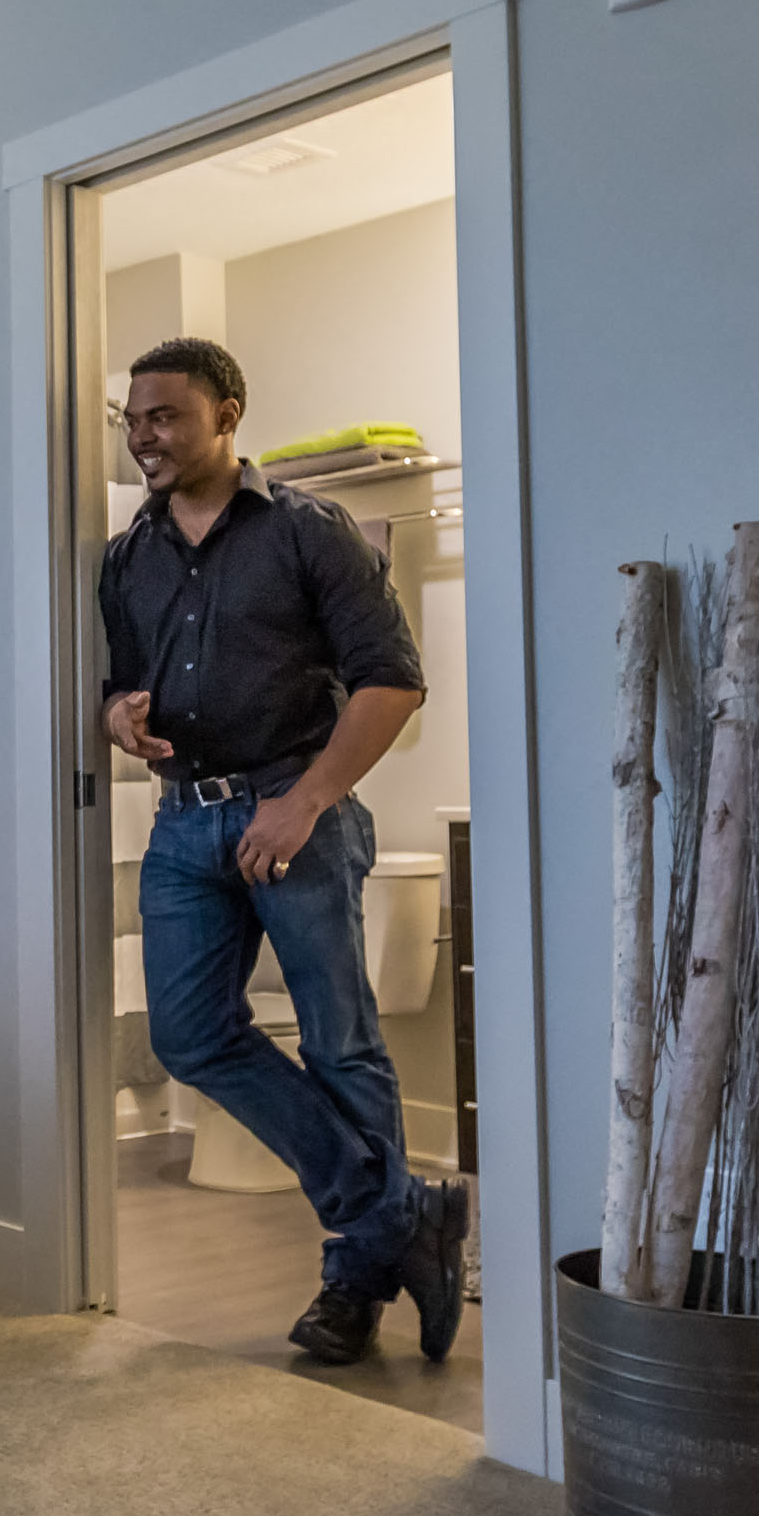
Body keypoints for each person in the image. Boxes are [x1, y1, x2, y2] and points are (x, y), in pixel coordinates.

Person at [102, 339, 464, 1366]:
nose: (145, 437)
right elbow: (119, 688)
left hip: (292, 818)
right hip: (185, 825)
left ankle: (353, 1283)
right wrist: (118, 718)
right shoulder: (128, 556)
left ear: (226, 416)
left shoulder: (310, 531)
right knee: (189, 1038)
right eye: (134, 420)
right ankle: (400, 1216)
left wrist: (303, 805)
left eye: (166, 416)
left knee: (339, 1046)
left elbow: (392, 681)